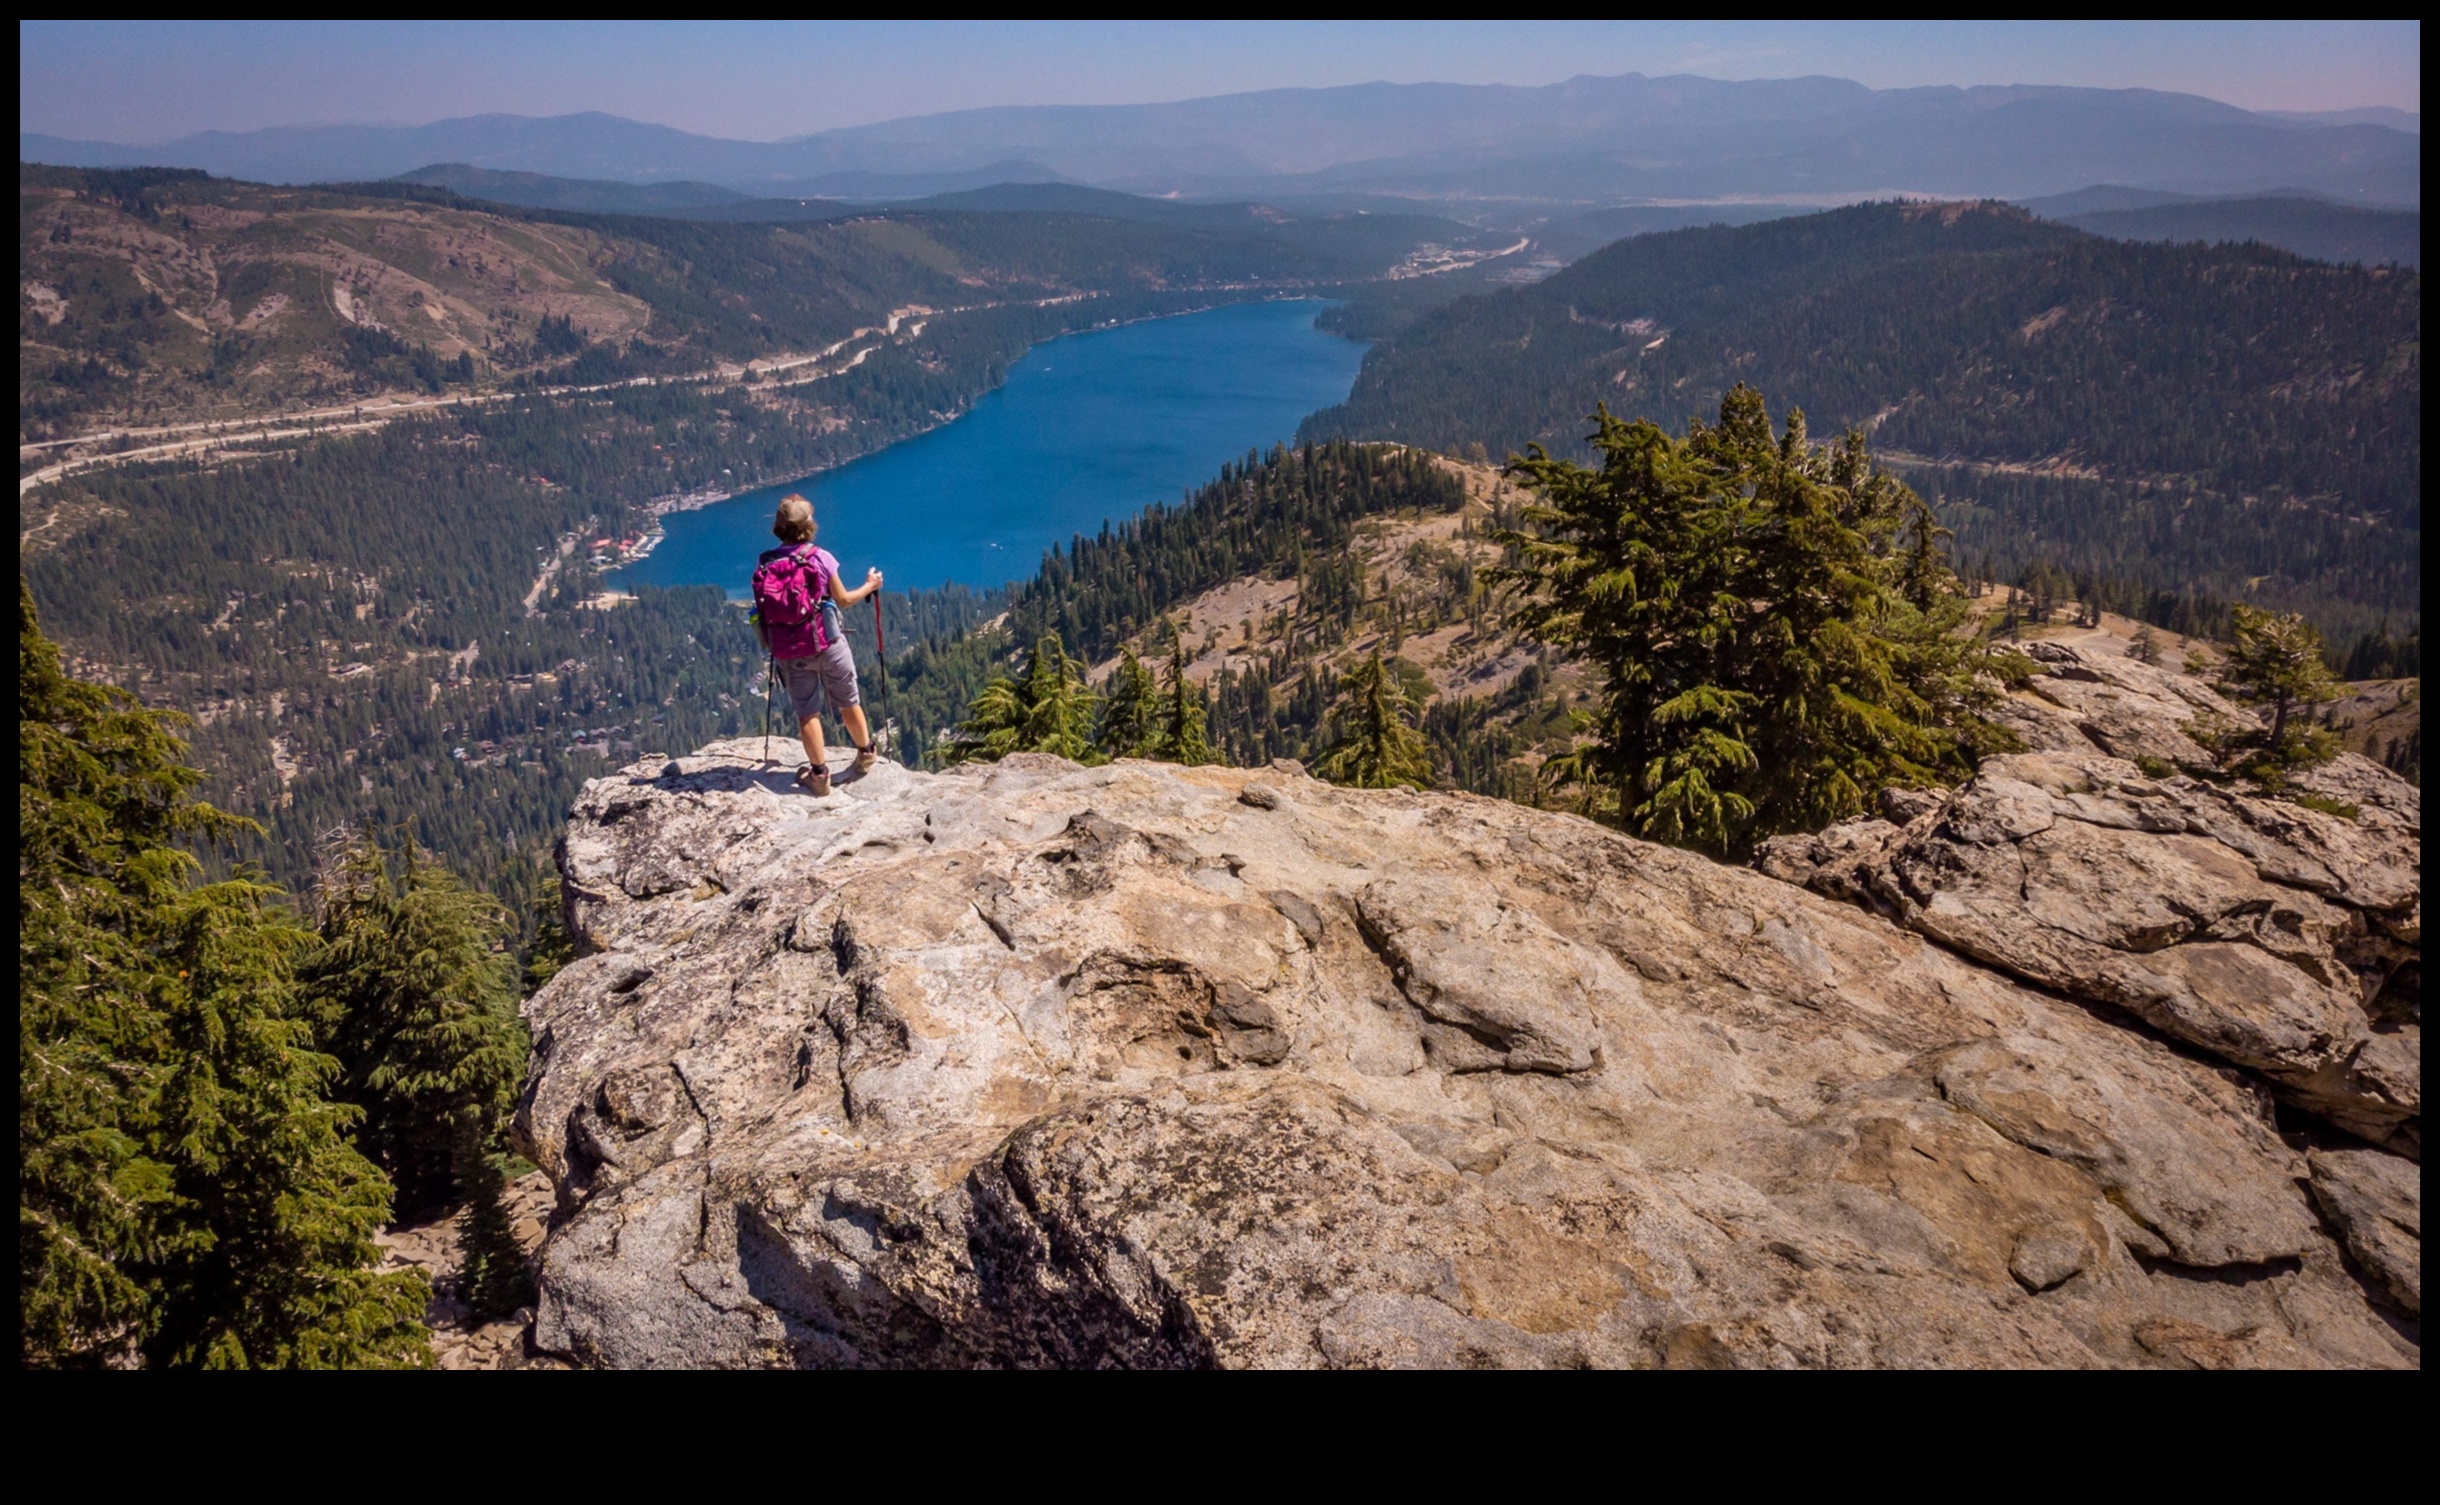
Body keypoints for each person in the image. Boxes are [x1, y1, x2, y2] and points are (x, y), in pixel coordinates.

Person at [755, 494, 882, 796]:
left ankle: (819, 775)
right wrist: (871, 584)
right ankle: (865, 753)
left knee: (807, 713)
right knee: (848, 700)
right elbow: (844, 600)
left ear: (778, 527)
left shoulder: (766, 563)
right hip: (829, 643)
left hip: (791, 649)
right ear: (809, 526)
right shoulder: (820, 557)